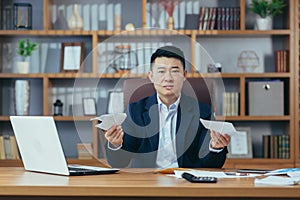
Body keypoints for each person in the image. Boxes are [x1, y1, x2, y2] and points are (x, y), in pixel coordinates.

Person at [103, 45, 230, 168]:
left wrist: (215, 148)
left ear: (184, 75)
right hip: (148, 182)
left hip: (186, 182)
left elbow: (212, 165)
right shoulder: (135, 111)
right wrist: (116, 144)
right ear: (151, 76)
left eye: (174, 71)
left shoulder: (202, 111)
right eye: (161, 71)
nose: (168, 78)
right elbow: (119, 163)